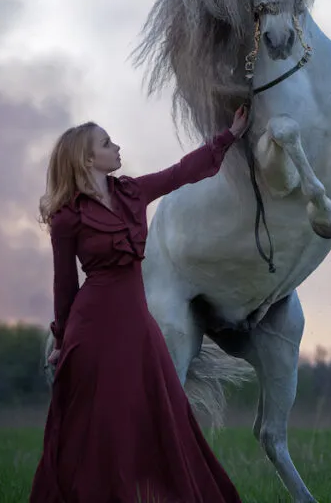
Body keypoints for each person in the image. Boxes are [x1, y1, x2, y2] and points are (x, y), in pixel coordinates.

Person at [29, 106, 250, 503]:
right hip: (92, 329)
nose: (116, 147)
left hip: (137, 326)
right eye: (106, 143)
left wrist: (228, 136)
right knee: (99, 426)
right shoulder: (66, 219)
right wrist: (61, 341)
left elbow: (180, 173)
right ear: (86, 158)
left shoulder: (131, 191)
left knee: (161, 416)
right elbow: (65, 285)